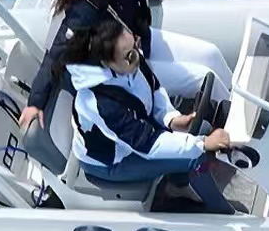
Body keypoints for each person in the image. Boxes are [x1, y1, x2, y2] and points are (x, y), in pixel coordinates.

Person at [18, 0, 231, 132]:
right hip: (127, 66)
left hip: (140, 42)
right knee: (202, 76)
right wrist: (35, 102)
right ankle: (233, 126)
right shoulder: (87, 8)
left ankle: (237, 100)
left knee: (210, 54)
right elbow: (56, 55)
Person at [60, 19, 233, 212]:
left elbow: (154, 89)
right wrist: (203, 143)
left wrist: (171, 118)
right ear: (106, 63)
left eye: (135, 45)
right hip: (114, 160)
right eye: (129, 54)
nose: (137, 55)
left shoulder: (130, 59)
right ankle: (222, 211)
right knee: (195, 157)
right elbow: (147, 144)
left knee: (191, 143)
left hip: (135, 136)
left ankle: (179, 186)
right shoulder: (101, 104)